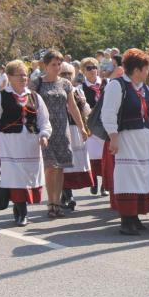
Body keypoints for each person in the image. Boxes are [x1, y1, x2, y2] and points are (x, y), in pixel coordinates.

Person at [101, 48, 149, 236]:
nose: (148, 73)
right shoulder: (117, 85)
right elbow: (108, 113)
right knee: (127, 177)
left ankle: (135, 216)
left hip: (144, 141)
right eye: (146, 69)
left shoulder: (144, 88)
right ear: (137, 70)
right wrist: (113, 137)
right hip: (126, 139)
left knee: (142, 176)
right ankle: (126, 219)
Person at [0, 60, 51, 226]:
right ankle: (20, 211)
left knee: (28, 178)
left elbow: (44, 120)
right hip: (10, 143)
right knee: (15, 178)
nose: (24, 78)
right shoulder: (1, 96)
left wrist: (44, 135)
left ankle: (21, 208)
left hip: (31, 144)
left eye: (25, 74)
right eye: (19, 75)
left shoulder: (35, 97)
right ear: (9, 77)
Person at [31, 50, 87, 218]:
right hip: (45, 130)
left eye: (58, 64)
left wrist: (81, 127)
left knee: (60, 167)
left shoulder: (65, 83)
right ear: (45, 66)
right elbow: (29, 106)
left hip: (63, 130)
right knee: (50, 167)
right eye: (53, 64)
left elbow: (73, 107)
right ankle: (51, 203)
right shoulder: (36, 83)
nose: (56, 67)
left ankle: (58, 202)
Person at [59, 62, 93, 210]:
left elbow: (86, 111)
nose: (66, 76)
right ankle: (68, 195)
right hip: (62, 130)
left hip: (77, 130)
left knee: (75, 165)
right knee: (64, 165)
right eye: (63, 74)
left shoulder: (78, 91)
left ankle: (65, 195)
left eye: (69, 74)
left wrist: (90, 125)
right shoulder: (56, 91)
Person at [79, 57, 108, 196]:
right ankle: (94, 181)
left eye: (94, 67)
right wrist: (84, 126)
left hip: (105, 125)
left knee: (105, 155)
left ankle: (104, 185)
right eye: (88, 68)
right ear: (83, 71)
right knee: (92, 155)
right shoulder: (80, 88)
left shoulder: (106, 83)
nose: (92, 70)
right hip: (90, 124)